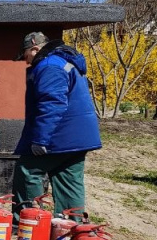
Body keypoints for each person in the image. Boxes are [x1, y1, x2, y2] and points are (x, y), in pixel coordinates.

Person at [12, 31, 102, 217]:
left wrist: (41, 139)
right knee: (68, 179)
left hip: (60, 136)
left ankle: (31, 223)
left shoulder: (49, 66)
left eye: (26, 55)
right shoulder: (63, 62)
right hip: (78, 137)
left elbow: (52, 104)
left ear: (35, 48)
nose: (26, 60)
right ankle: (69, 228)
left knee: (27, 171)